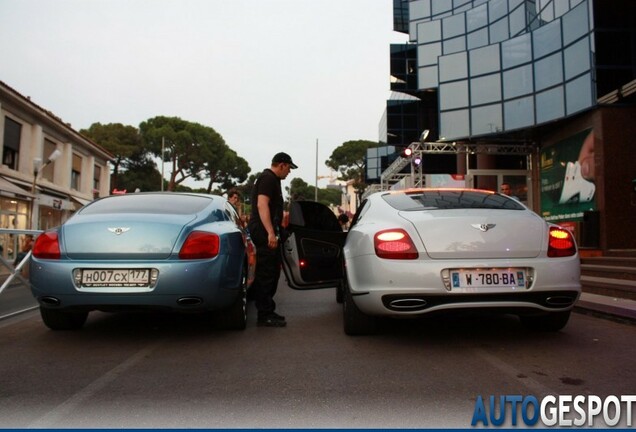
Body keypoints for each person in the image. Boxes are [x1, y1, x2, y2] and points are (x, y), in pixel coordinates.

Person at [248, 152, 297, 327]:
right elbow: (262, 205)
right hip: (262, 230)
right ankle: (264, 314)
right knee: (267, 273)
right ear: (282, 165)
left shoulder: (271, 179)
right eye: (289, 168)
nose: (289, 172)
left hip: (265, 229)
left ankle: (267, 310)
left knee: (272, 272)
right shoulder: (268, 179)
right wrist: (270, 232)